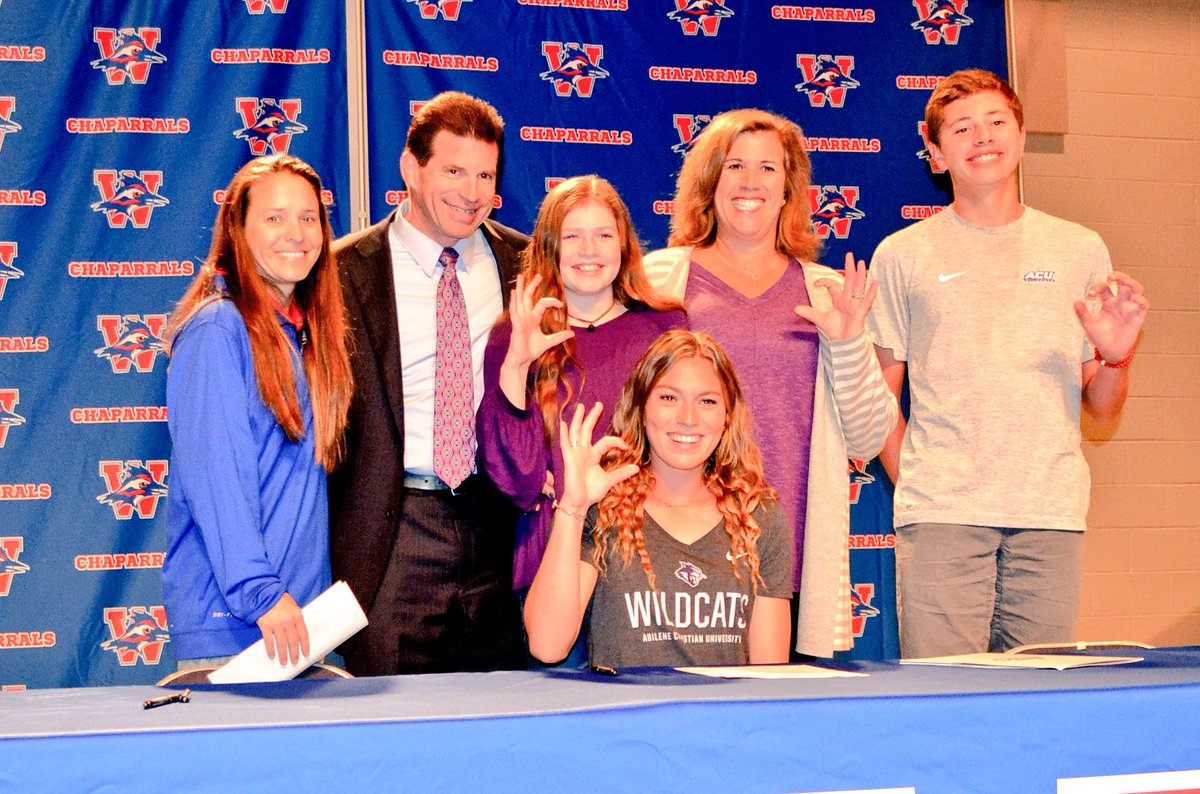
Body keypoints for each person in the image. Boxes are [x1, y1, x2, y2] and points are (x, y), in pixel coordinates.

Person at [867, 69, 1150, 657]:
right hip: (943, 517)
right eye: (962, 128)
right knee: (948, 701)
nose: (983, 137)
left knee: (1038, 702)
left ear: (1021, 138)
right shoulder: (902, 255)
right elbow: (878, 399)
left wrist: (1117, 358)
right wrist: (922, 483)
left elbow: (1099, 408)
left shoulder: (1080, 249)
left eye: (997, 122)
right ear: (935, 152)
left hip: (1050, 515)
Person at [643, 109, 897, 658]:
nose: (751, 182)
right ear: (709, 182)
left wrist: (851, 343)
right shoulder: (659, 280)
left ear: (790, 191)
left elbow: (869, 436)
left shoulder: (829, 292)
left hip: (795, 549)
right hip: (680, 547)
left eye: (768, 168)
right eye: (734, 165)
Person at [328, 91, 529, 675]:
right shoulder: (342, 271)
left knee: (501, 731)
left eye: (485, 174)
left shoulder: (526, 263)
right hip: (393, 534)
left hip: (499, 529)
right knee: (388, 732)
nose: (472, 192)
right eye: (454, 170)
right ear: (411, 168)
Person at [162, 154, 353, 669]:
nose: (296, 233)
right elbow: (216, 480)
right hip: (240, 627)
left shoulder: (305, 333)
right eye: (274, 217)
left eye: (308, 218)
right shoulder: (218, 329)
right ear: (238, 230)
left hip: (301, 624)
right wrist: (260, 593)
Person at [477, 175, 685, 623]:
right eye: (572, 236)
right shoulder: (515, 334)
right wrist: (515, 365)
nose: (588, 251)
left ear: (625, 245)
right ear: (550, 246)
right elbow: (516, 480)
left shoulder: (665, 327)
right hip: (554, 554)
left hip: (648, 557)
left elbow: (688, 440)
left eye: (603, 235)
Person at [524, 330, 793, 667]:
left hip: (724, 720)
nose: (688, 418)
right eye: (669, 398)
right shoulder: (604, 508)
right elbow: (547, 646)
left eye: (707, 401)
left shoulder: (759, 518)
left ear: (728, 416)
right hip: (627, 717)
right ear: (641, 406)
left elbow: (769, 679)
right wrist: (574, 507)